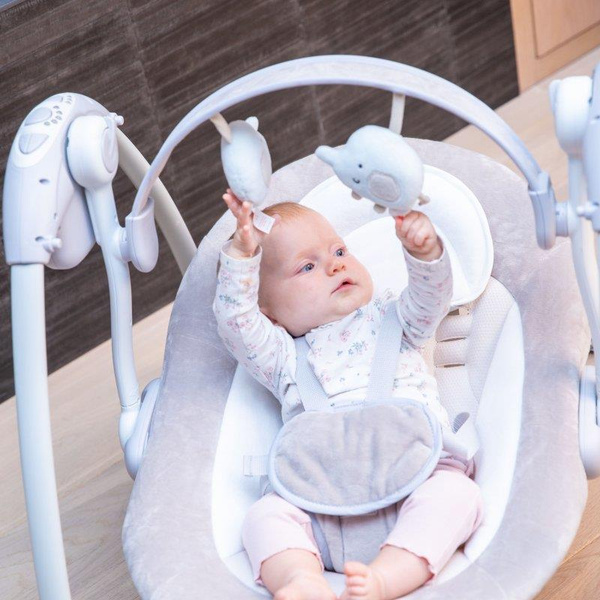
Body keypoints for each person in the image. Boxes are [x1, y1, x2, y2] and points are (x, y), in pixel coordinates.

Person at [212, 189, 484, 600]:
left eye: (339, 250)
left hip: (416, 474)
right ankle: (300, 578)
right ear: (269, 313)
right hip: (319, 504)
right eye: (307, 266)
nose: (335, 264)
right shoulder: (280, 354)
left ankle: (387, 576)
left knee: (458, 495)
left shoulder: (394, 318)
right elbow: (235, 320)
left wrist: (425, 253)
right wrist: (242, 255)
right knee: (263, 518)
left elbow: (432, 298)